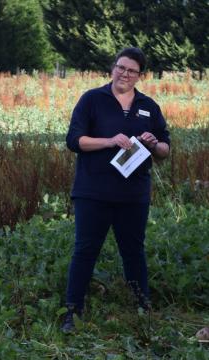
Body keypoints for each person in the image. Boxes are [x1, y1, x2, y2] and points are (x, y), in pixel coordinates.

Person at [61, 47, 170, 333]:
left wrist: (153, 142)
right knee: (85, 250)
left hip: (133, 194)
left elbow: (164, 149)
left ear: (139, 76)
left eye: (131, 70)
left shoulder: (149, 106)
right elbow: (74, 141)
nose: (124, 73)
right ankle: (72, 312)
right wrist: (109, 141)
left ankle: (142, 308)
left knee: (133, 250)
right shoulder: (92, 99)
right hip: (93, 190)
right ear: (113, 68)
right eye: (120, 67)